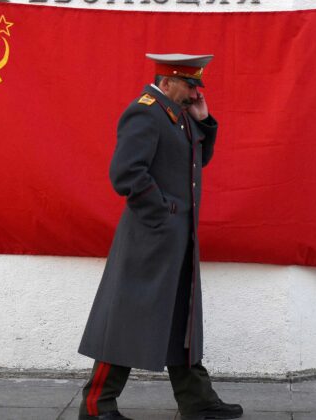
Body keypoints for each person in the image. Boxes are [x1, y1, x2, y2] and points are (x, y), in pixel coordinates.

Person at [78, 53, 243, 420]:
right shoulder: (146, 112)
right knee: (124, 321)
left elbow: (197, 161)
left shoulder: (178, 115)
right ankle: (95, 407)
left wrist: (205, 121)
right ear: (167, 81)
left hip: (175, 240)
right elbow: (126, 174)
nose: (194, 93)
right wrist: (164, 212)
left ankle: (197, 401)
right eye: (189, 85)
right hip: (149, 241)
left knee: (180, 319)